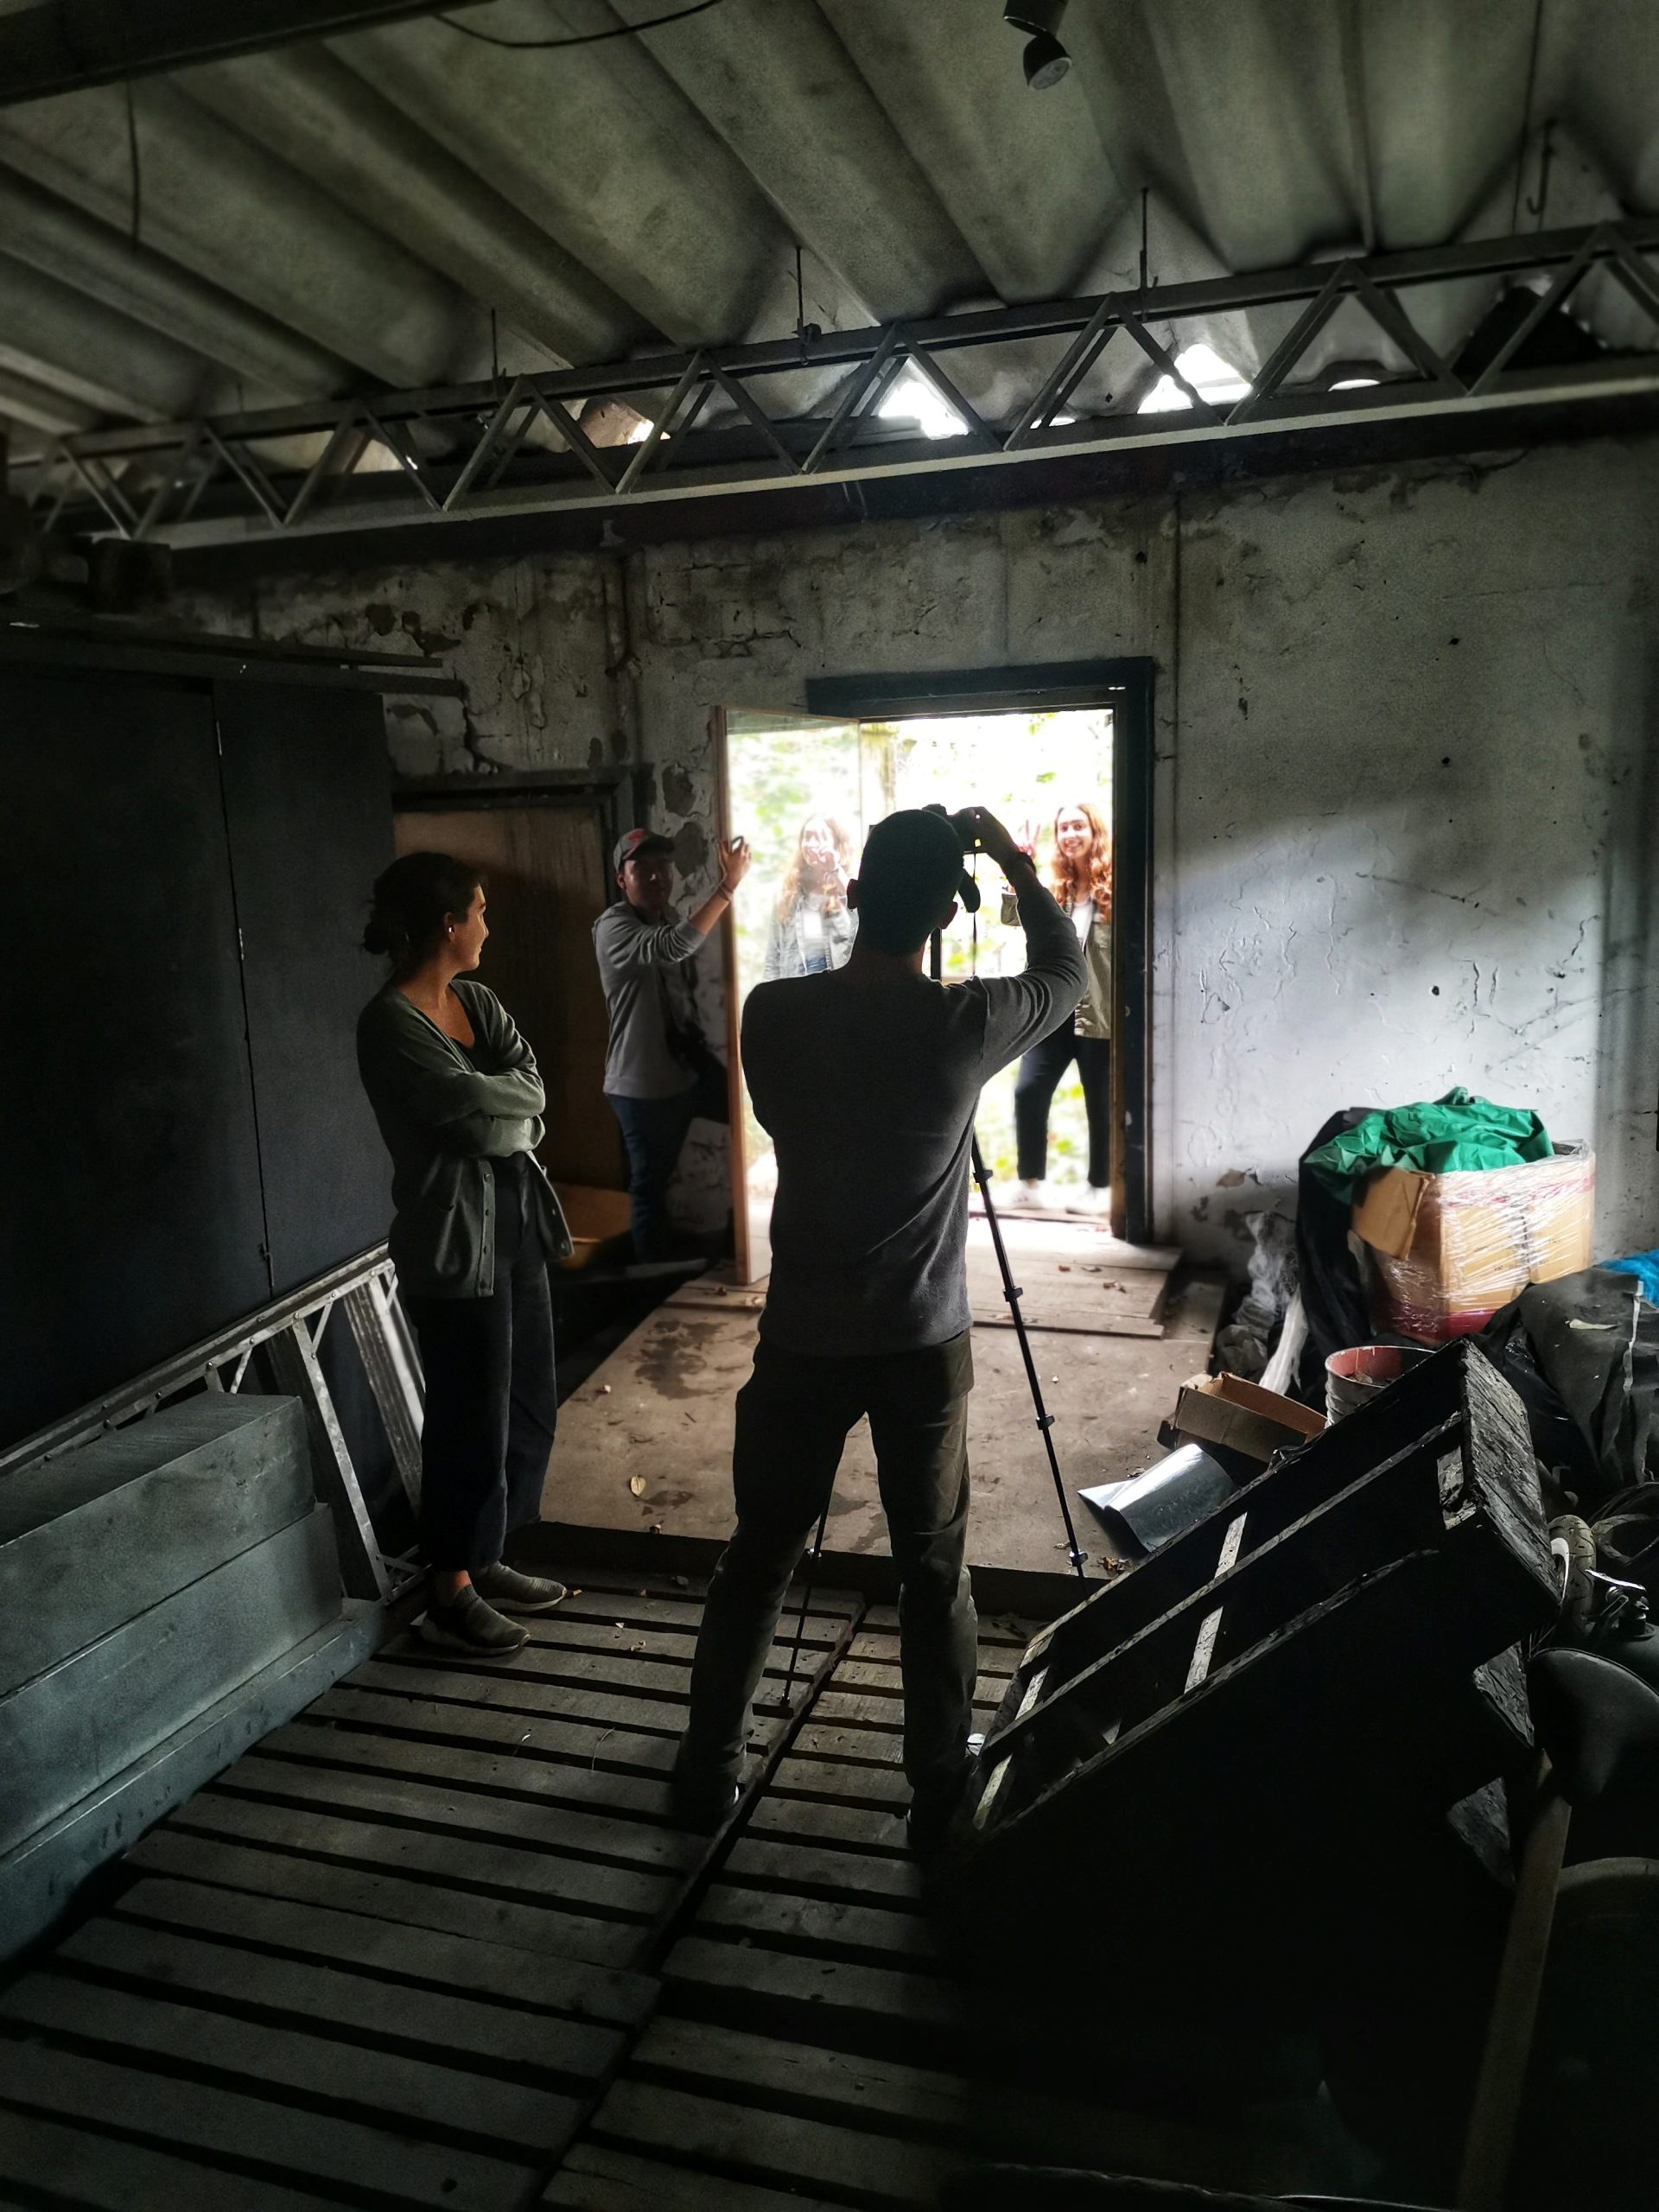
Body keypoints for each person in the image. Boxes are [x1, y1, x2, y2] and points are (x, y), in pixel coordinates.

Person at [672, 807, 1084, 1849]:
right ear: (948, 912)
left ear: (854, 897)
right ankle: (939, 1789)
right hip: (919, 1346)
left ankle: (707, 1771)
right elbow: (1067, 971)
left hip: (801, 1339)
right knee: (933, 1571)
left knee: (760, 1553)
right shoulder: (965, 1023)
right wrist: (1013, 861)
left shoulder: (772, 1012)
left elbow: (788, 1120)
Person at [356, 852, 572, 1656]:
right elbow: (471, 1120)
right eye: (480, 911)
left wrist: (500, 1108)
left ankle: (489, 1554)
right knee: (468, 1417)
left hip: (516, 1229)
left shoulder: (475, 1001)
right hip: (454, 1243)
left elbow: (532, 1087)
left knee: (527, 1399)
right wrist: (506, 1111)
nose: (488, 925)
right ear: (449, 924)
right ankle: (450, 1588)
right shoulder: (389, 1023)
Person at [594, 825, 753, 1262]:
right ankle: (651, 1280)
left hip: (685, 1070)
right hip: (642, 1087)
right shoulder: (613, 927)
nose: (655, 876)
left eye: (662, 866)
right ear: (621, 879)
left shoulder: (667, 917)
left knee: (748, 1123)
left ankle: (740, 1241)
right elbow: (673, 946)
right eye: (641, 868)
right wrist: (727, 887)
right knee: (650, 1186)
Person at [1001, 799, 1114, 1215]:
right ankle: (1030, 1184)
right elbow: (1013, 918)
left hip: (1099, 1013)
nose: (1070, 834)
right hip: (1056, 1008)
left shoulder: (1115, 888)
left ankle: (1101, 1188)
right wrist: (1019, 871)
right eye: (1064, 828)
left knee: (1100, 1101)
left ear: (1094, 831)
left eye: (1078, 826)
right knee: (1028, 1089)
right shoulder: (1055, 889)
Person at [762, 815, 857, 979]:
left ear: (837, 843)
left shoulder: (847, 885)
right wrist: (769, 991)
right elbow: (773, 959)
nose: (812, 844)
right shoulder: (788, 894)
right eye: (807, 837)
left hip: (837, 989)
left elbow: (859, 919)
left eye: (821, 837)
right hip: (796, 990)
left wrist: (834, 870)